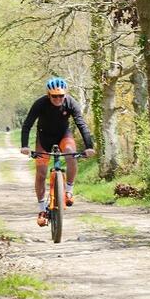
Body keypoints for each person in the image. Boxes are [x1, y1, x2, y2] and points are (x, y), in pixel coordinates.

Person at [20, 77, 95, 226]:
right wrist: (25, 145)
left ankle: (68, 190)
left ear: (65, 95)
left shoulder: (71, 103)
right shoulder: (40, 103)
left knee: (70, 153)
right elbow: (27, 124)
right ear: (49, 95)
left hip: (63, 135)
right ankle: (42, 209)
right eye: (54, 96)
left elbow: (82, 124)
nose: (58, 99)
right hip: (44, 138)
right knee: (41, 173)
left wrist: (89, 146)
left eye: (61, 96)